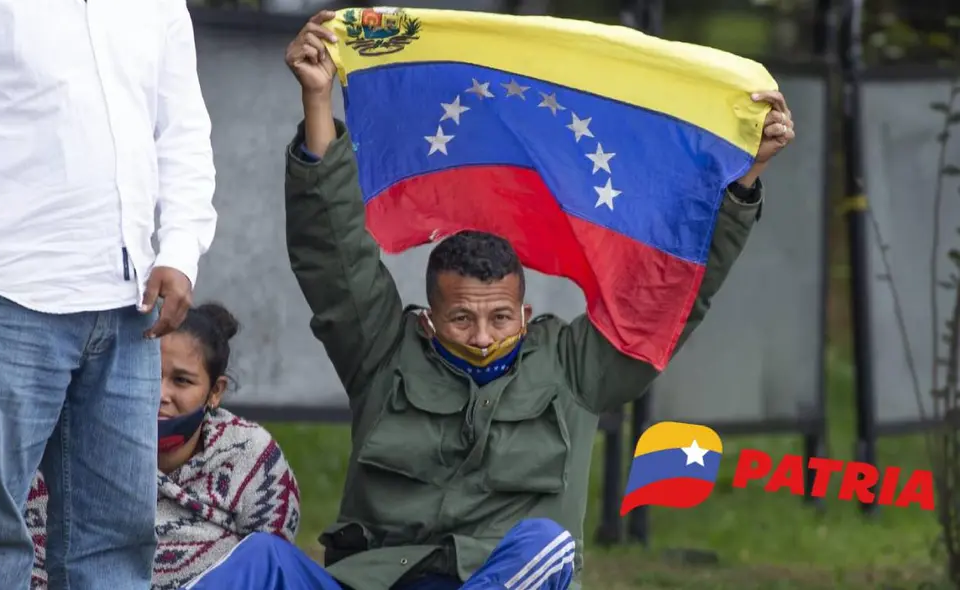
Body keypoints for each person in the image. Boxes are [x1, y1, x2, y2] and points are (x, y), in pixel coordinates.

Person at [191, 11, 796, 590]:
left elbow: (671, 297)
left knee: (545, 544)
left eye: (499, 317)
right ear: (430, 320)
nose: (483, 335)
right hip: (378, 580)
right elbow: (333, 253)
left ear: (525, 314)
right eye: (462, 318)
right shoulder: (381, 352)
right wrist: (318, 101)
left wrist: (743, 176)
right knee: (264, 561)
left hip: (505, 580)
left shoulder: (573, 370)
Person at [0, 2, 218, 589]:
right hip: (5, 293)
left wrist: (179, 250)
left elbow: (182, 133)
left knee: (116, 537)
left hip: (128, 307)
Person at [23, 303, 302, 590]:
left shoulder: (252, 457)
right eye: (148, 374)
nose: (160, 394)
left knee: (269, 555)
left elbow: (275, 576)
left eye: (181, 381)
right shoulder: (64, 453)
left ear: (215, 391)